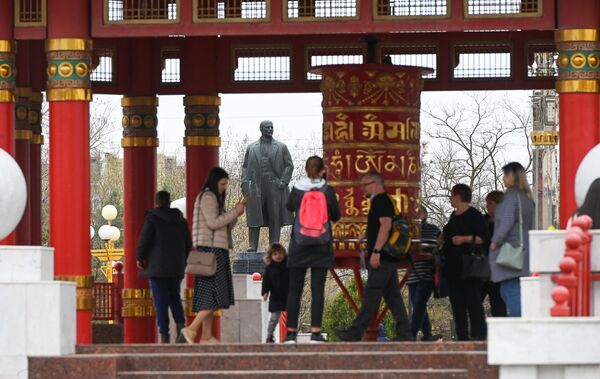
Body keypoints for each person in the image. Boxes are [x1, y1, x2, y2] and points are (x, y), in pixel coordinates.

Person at [336, 170, 412, 342]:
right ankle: (405, 334)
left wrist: (376, 252)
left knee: (371, 294)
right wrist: (365, 234)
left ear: (376, 184)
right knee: (393, 297)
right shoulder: (385, 201)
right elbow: (381, 226)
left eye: (365, 184)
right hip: (388, 256)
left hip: (383, 256)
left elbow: (385, 226)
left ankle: (354, 333)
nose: (363, 188)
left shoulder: (380, 201)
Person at [179, 167, 247, 344]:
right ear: (215, 181)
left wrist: (236, 213)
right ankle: (192, 329)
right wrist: (234, 212)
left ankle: (206, 336)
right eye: (223, 183)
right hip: (212, 250)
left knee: (211, 295)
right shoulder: (208, 197)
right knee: (217, 295)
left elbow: (224, 225)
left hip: (214, 249)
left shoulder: (213, 198)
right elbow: (213, 223)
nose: (225, 187)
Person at [283, 156, 340, 344]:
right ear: (323, 169)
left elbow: (289, 206)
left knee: (294, 290)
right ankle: (315, 332)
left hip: (299, 243)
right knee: (318, 289)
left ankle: (291, 333)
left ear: (306, 169)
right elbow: (336, 216)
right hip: (321, 244)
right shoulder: (327, 190)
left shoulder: (298, 188)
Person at [136, 190, 193, 343]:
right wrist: (182, 260)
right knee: (175, 297)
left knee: (160, 301)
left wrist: (140, 258)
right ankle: (181, 330)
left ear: (157, 202)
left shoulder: (152, 219)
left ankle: (164, 335)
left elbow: (144, 240)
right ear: (169, 202)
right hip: (176, 268)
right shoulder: (181, 220)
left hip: (157, 268)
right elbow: (188, 244)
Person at [442, 184, 489, 340]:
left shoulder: (475, 215)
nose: (450, 198)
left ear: (458, 196)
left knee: (473, 302)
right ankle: (462, 336)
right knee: (457, 304)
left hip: (470, 267)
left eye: (452, 195)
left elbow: (484, 238)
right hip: (453, 267)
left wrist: (464, 239)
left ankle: (479, 335)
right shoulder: (453, 216)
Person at [489, 162, 535, 317]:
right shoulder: (528, 199)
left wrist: (495, 241)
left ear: (511, 176)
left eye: (505, 175)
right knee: (516, 290)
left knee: (509, 290)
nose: (503, 178)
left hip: (511, 251)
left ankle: (518, 327)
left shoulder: (510, 198)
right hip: (525, 250)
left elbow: (505, 222)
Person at [241, 120, 294, 251]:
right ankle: (253, 245)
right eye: (267, 127)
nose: (270, 129)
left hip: (275, 185)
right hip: (256, 186)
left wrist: (283, 181)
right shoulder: (252, 147)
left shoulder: (281, 147)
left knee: (274, 215)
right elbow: (245, 167)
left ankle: (274, 245)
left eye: (271, 127)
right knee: (254, 215)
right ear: (261, 129)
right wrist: (244, 184)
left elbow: (289, 165)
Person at [407, 206, 440, 341]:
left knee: (419, 304)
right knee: (417, 305)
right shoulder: (407, 231)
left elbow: (439, 247)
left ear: (425, 214)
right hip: (411, 275)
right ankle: (427, 334)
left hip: (427, 273)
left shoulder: (434, 230)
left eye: (419, 212)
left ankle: (411, 334)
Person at [481, 191, 507, 317]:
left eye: (490, 204)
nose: (487, 207)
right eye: (487, 204)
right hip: (483, 267)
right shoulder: (484, 220)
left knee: (497, 302)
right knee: (474, 300)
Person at [261, 243, 289, 343]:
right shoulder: (269, 268)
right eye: (275, 254)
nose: (278, 256)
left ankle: (290, 335)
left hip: (287, 295)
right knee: (274, 318)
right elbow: (266, 281)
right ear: (271, 256)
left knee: (290, 317)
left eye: (280, 253)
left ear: (284, 253)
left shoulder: (288, 266)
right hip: (275, 297)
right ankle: (269, 336)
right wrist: (265, 292)